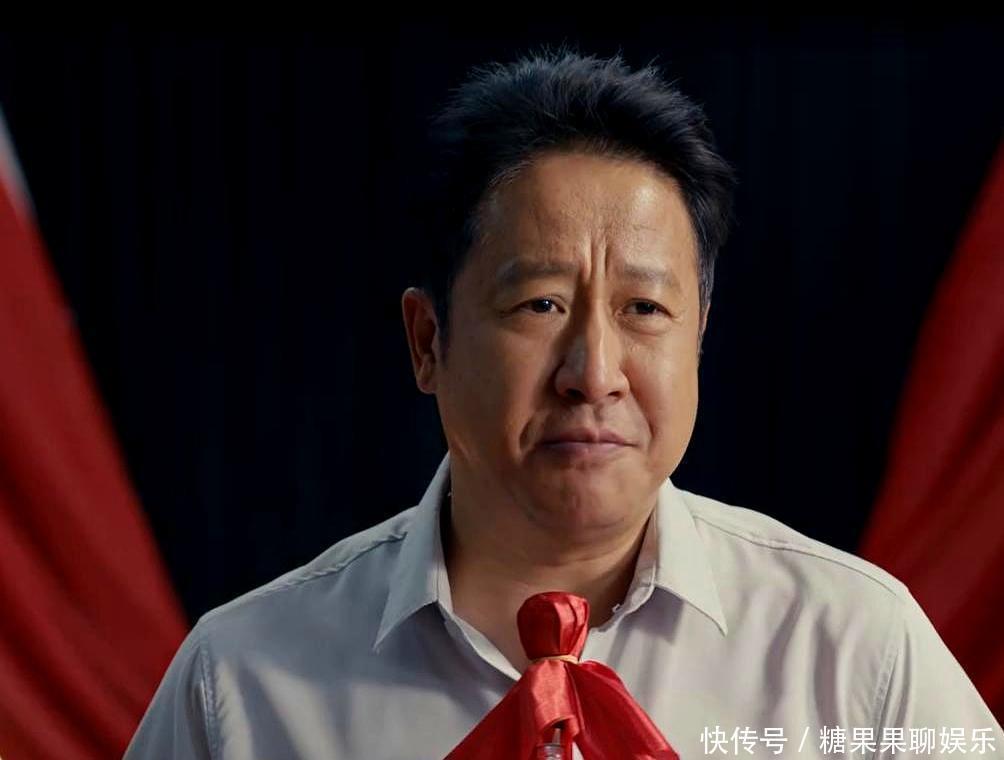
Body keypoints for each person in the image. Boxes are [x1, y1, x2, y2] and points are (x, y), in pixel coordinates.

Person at [124, 49, 1002, 759]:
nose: (594, 372)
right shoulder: (240, 683)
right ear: (427, 340)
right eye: (540, 304)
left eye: (644, 309)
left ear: (698, 336)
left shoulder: (854, 651)